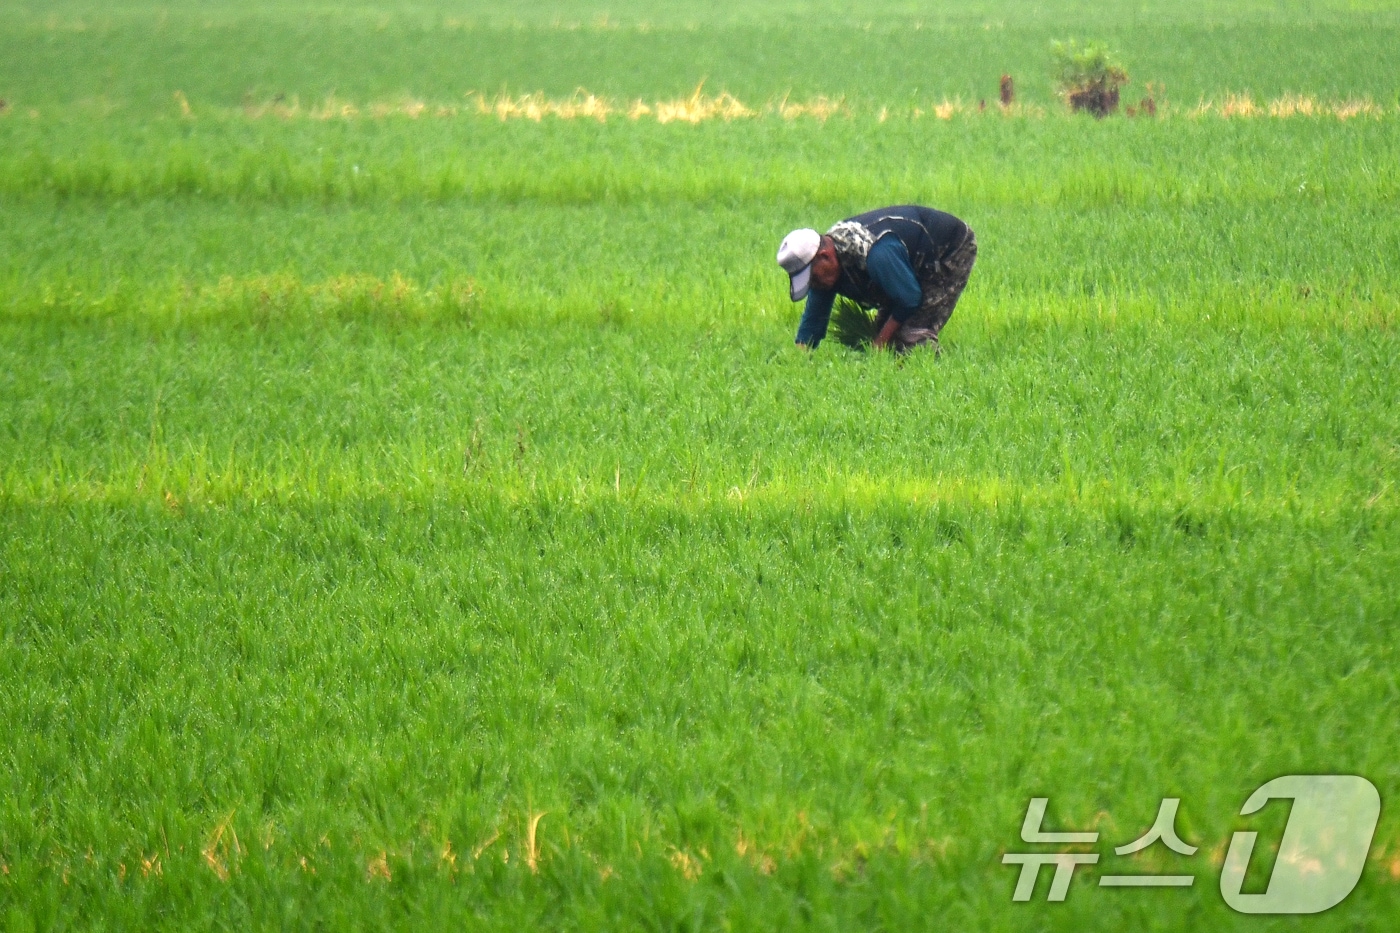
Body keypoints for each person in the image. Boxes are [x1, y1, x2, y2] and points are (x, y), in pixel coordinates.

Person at [776, 205, 977, 353]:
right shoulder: (825, 268)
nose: (814, 285)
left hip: (947, 249)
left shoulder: (875, 253)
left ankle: (936, 380)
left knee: (909, 337)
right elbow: (814, 320)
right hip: (904, 261)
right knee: (879, 335)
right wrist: (798, 360)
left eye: (812, 277)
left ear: (825, 256)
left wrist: (879, 343)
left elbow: (909, 298)